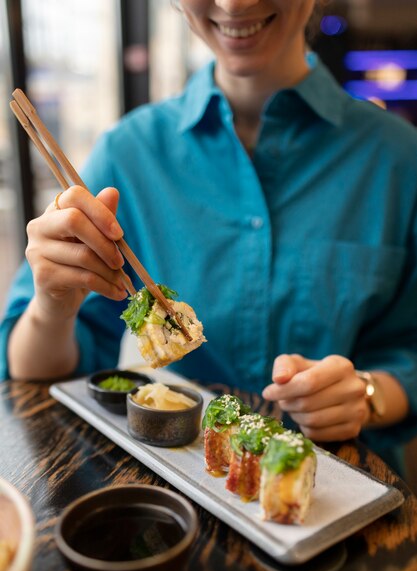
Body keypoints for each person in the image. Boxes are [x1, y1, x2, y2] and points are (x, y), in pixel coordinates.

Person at [2, 0, 417, 474]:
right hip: (178, 488)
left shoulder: (400, 159)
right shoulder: (128, 153)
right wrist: (53, 304)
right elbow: (31, 373)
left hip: (346, 494)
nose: (232, 3)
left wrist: (368, 393)